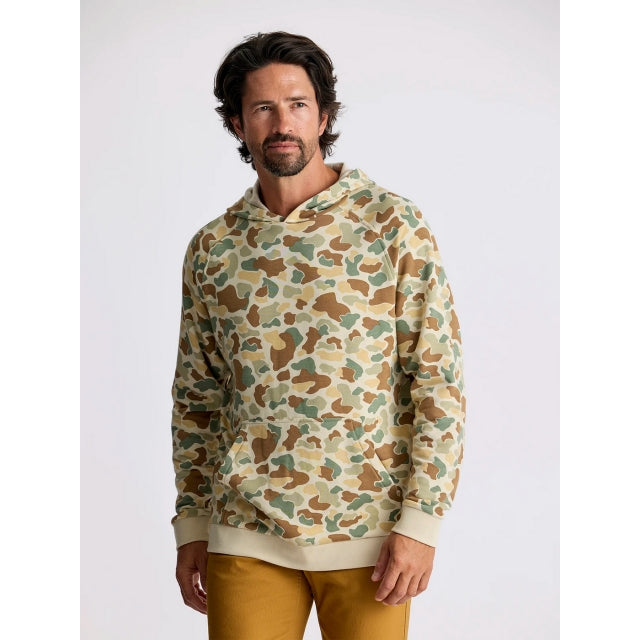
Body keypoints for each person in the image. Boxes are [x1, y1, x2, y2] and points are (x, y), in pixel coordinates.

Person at [171, 31, 466, 640]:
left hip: (369, 533)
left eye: (298, 104)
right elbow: (197, 397)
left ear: (324, 116)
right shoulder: (213, 248)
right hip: (245, 527)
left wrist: (421, 521)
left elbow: (437, 380)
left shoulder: (392, 224)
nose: (283, 123)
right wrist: (193, 523)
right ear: (237, 123)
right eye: (263, 107)